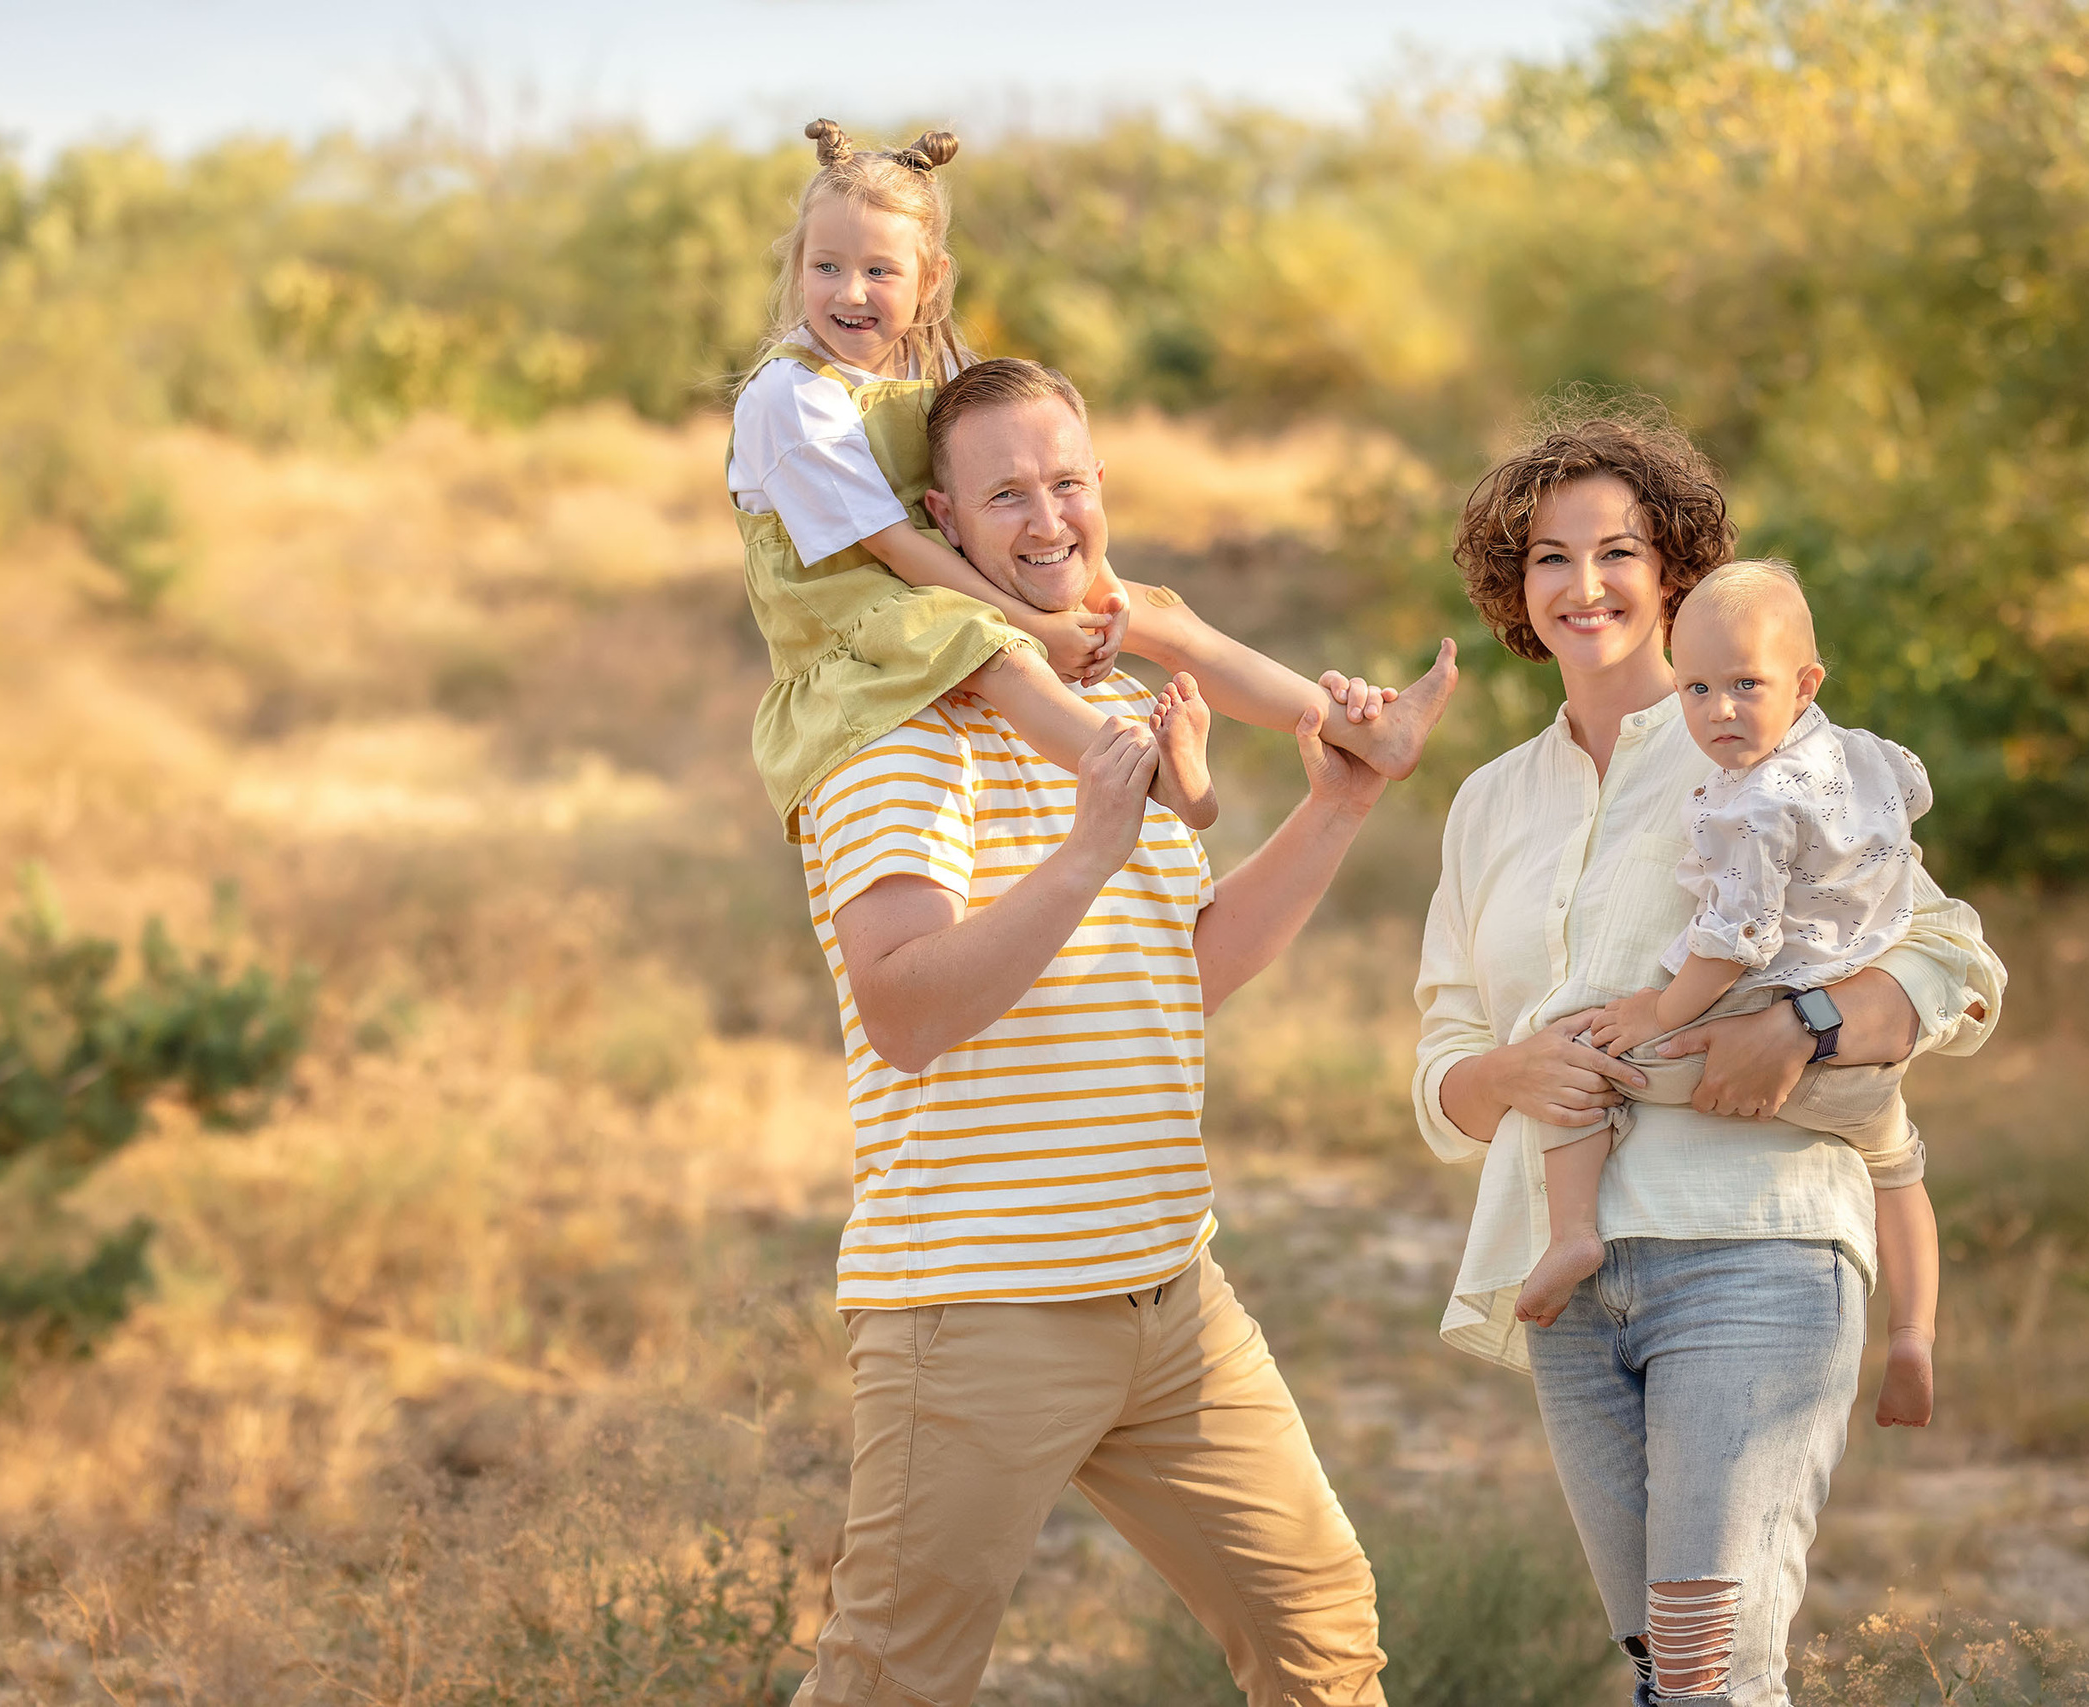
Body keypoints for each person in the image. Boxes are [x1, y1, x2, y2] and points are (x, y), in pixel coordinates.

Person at [792, 357, 1426, 1707]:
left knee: (1324, 1634)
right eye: (1005, 491)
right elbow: (905, 1007)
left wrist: (1335, 808)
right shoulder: (890, 728)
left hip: (1170, 1293)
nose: (1047, 519)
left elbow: (1178, 976)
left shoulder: (1115, 705)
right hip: (975, 1309)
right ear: (937, 518)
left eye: (1068, 481)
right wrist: (1087, 843)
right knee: (888, 1682)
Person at [1411, 403, 2005, 1706]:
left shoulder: (1769, 744)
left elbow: (1958, 963)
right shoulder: (1489, 799)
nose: (1584, 584)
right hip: (1565, 1279)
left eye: (1617, 549)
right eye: (1549, 555)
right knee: (1663, 1667)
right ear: (1516, 585)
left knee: (1714, 1669)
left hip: (1757, 1250)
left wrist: (1806, 1021)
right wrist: (1510, 1073)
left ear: (1676, 569)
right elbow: (1444, 1069)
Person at [729, 118, 1456, 837]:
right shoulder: (793, 395)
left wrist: (1096, 589)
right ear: (798, 267)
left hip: (941, 566)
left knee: (1157, 615)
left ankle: (1370, 734)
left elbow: (1024, 471)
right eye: (827, 267)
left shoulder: (935, 362)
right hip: (852, 605)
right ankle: (1154, 775)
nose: (850, 292)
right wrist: (1036, 622)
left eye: (879, 271)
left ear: (931, 278)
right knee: (994, 648)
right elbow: (894, 548)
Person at [1516, 559, 1944, 1430]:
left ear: (1805, 681)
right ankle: (1913, 1332)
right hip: (1855, 1047)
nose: (1719, 711)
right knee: (1899, 1169)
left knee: (1579, 1053)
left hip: (1751, 1032)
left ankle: (1571, 1235)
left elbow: (1734, 938)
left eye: (1747, 685)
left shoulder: (1746, 807)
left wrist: (1656, 1010)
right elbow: (1915, 791)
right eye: (1698, 687)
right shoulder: (1867, 755)